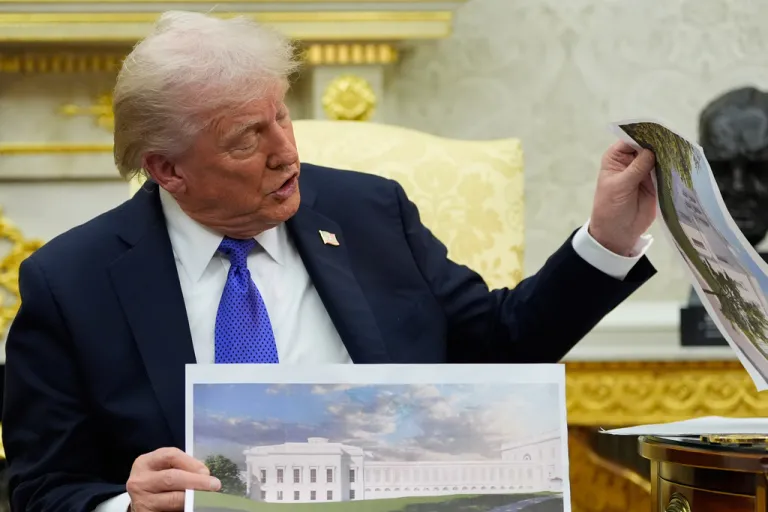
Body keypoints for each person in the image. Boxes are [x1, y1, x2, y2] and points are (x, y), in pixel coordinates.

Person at [2, 10, 657, 512]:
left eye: (282, 116)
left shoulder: (369, 213)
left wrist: (608, 238)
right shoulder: (71, 283)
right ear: (167, 169)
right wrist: (127, 502)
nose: (285, 152)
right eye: (246, 140)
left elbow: (501, 343)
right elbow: (40, 485)